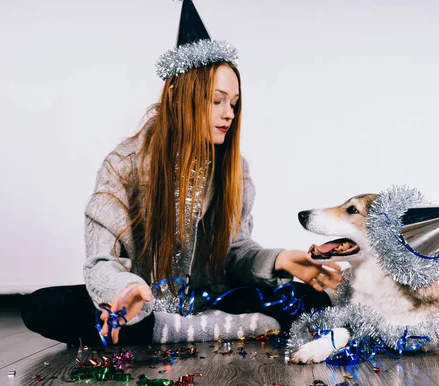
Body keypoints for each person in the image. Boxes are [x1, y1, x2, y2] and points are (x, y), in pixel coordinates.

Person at [21, 1, 342, 347]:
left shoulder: (236, 170)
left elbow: (234, 254)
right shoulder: (124, 165)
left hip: (211, 297)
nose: (228, 113)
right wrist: (127, 290)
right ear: (177, 97)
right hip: (141, 306)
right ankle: (187, 328)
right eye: (216, 100)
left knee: (307, 297)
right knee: (41, 306)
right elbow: (102, 261)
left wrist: (279, 260)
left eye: (233, 103)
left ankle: (173, 330)